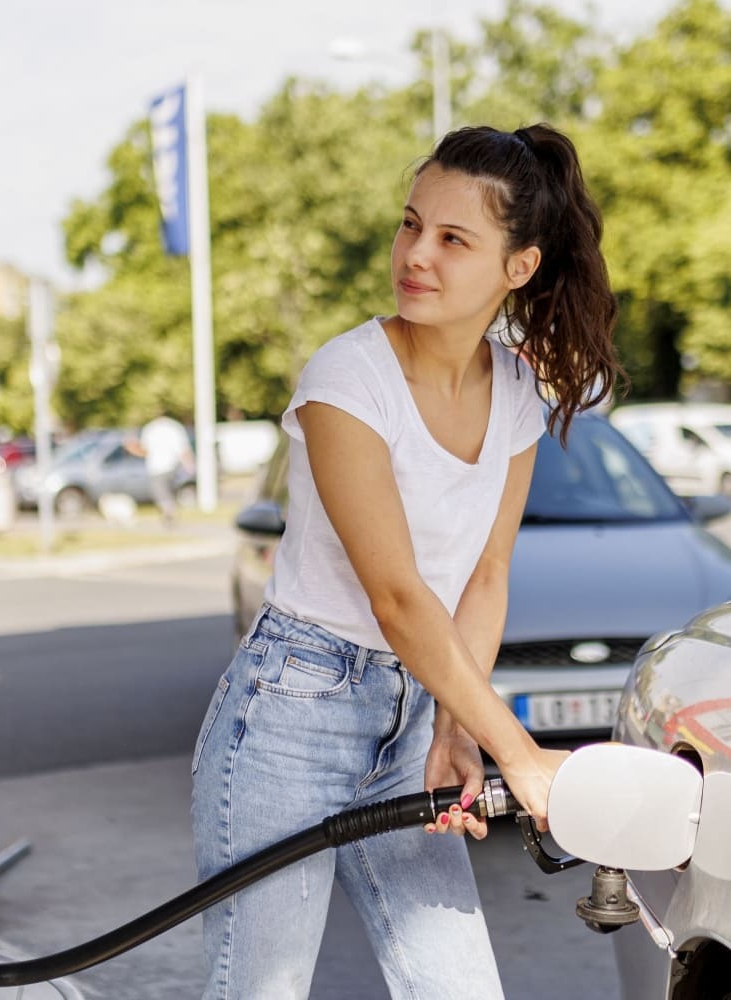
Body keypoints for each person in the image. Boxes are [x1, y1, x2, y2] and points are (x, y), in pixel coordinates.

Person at [191, 123, 622, 999]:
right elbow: (397, 596)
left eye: (453, 239)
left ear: (519, 267)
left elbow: (487, 575)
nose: (416, 254)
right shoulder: (346, 381)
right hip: (289, 715)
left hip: (414, 720)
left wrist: (456, 732)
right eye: (410, 224)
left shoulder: (513, 397)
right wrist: (523, 756)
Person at [134, 414, 194, 526]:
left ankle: (169, 511)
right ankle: (171, 510)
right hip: (173, 465)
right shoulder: (175, 427)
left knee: (160, 492)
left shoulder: (150, 428)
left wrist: (132, 449)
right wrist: (189, 465)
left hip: (156, 467)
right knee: (169, 490)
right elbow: (183, 448)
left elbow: (144, 450)